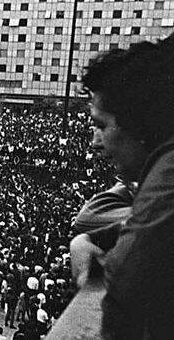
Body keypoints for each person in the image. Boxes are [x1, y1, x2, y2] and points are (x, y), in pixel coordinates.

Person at [70, 33, 174, 339]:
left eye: (102, 125)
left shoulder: (167, 178)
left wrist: (87, 260)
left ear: (139, 122)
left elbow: (117, 297)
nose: (96, 143)